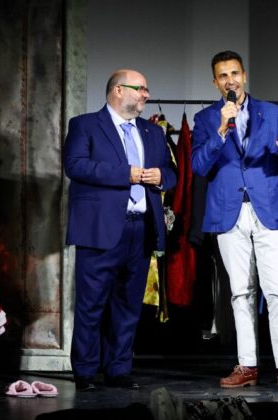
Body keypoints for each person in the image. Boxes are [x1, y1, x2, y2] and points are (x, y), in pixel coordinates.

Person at [191, 50, 278, 390]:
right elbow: (198, 166)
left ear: (244, 76)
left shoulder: (272, 113)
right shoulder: (205, 118)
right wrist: (221, 131)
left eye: (235, 73)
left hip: (267, 209)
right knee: (240, 293)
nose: (230, 81)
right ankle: (247, 365)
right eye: (223, 76)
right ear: (215, 82)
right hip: (228, 213)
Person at [64, 69, 176, 391]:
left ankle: (119, 369)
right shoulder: (85, 125)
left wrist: (161, 177)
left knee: (128, 306)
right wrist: (125, 174)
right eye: (140, 88)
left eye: (146, 89)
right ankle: (86, 372)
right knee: (91, 305)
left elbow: (171, 172)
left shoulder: (152, 132)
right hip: (100, 230)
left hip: (140, 230)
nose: (146, 95)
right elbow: (75, 165)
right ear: (117, 90)